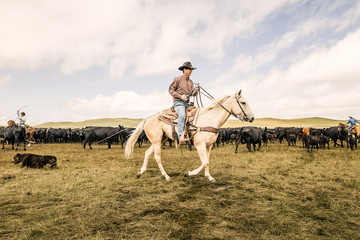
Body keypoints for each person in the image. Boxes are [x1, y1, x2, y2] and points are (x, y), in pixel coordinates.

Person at [168, 61, 199, 144]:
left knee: (197, 114)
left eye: (191, 69)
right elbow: (170, 90)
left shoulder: (191, 82)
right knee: (182, 115)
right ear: (184, 69)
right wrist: (180, 96)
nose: (191, 71)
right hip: (178, 103)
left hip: (187, 104)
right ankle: (180, 137)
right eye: (189, 69)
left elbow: (192, 94)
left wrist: (195, 92)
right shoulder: (178, 79)